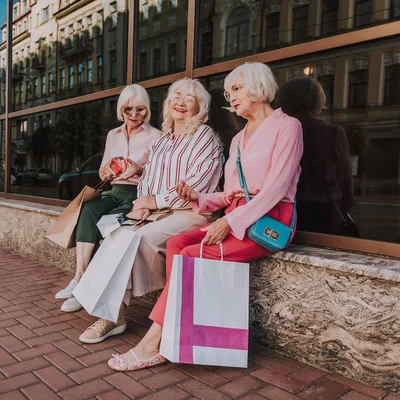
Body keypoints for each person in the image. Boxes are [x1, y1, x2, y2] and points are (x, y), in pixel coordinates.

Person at [107, 62, 303, 371]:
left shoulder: (288, 126)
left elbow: (275, 189)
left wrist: (228, 222)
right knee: (177, 244)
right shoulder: (238, 139)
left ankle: (152, 342)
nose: (231, 97)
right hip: (238, 216)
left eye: (236, 89)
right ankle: (175, 331)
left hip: (270, 223)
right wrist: (199, 197)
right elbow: (229, 194)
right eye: (228, 92)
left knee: (189, 255)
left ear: (258, 86)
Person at [77, 78, 224, 344]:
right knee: (116, 235)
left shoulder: (206, 138)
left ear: (200, 106)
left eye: (188, 98)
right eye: (176, 96)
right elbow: (147, 180)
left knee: (137, 240)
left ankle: (113, 315)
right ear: (168, 103)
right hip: (157, 211)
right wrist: (142, 204)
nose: (180, 102)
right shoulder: (164, 140)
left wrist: (153, 202)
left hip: (190, 213)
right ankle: (103, 306)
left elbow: (195, 187)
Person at [56, 84, 161, 312]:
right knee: (87, 211)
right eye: (128, 110)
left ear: (148, 110)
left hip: (138, 194)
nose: (134, 115)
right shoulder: (112, 135)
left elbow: (160, 174)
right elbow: (104, 165)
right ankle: (79, 279)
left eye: (140, 110)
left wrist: (140, 170)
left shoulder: (156, 136)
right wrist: (105, 171)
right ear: (121, 110)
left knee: (107, 226)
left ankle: (86, 289)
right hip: (113, 191)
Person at [278, 76, 355, 236]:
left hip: (284, 209)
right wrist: (344, 209)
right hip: (324, 211)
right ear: (317, 99)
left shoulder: (277, 131)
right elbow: (345, 178)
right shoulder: (333, 132)